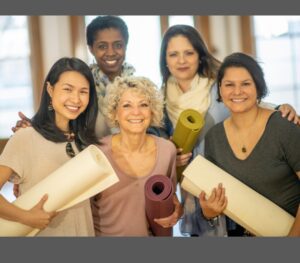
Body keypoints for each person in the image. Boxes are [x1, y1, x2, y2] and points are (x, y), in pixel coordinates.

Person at [149, 24, 300, 237]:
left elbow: (249, 104)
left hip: (236, 177)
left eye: (188, 53)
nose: (181, 60)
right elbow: (156, 148)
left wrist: (282, 109)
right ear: (165, 60)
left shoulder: (218, 88)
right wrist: (172, 154)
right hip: (195, 188)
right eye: (173, 54)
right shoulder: (160, 102)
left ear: (200, 56)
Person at [201, 52, 300, 236]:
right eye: (229, 84)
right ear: (220, 90)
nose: (237, 92)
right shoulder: (214, 138)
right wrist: (209, 211)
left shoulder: (284, 126)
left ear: (258, 87)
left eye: (246, 84)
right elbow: (214, 202)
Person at [0, 57, 99, 236]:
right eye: (67, 89)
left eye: (83, 91)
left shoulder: (84, 141)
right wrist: (25, 217)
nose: (76, 99)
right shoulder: (25, 137)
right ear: (50, 89)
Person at [13, 15, 134, 139]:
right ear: (91, 49)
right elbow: (57, 121)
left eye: (118, 45)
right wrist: (32, 129)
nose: (111, 52)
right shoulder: (81, 85)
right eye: (102, 46)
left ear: (126, 46)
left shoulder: (139, 87)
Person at [91, 76, 183, 236]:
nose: (136, 112)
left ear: (152, 110)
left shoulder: (167, 150)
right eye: (127, 105)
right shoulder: (97, 153)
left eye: (144, 104)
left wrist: (177, 210)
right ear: (115, 113)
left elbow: (170, 197)